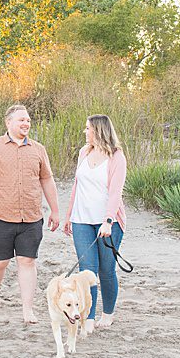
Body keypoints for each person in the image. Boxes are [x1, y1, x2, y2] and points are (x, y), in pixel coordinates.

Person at [0, 103, 60, 324]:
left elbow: (47, 179)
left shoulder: (38, 149)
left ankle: (27, 309)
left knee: (27, 261)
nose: (26, 123)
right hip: (1, 215)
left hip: (31, 216)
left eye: (28, 120)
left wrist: (55, 210)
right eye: (21, 120)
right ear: (8, 122)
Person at [61, 114, 127, 332]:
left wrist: (108, 221)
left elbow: (116, 193)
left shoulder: (116, 157)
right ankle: (88, 317)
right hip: (82, 220)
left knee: (106, 270)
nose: (85, 131)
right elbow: (77, 186)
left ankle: (108, 313)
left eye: (87, 128)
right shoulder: (84, 152)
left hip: (107, 223)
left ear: (99, 130)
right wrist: (69, 215)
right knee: (87, 271)